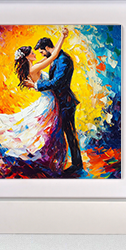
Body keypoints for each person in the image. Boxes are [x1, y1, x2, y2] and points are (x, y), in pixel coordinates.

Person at [0, 28, 70, 177]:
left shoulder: (33, 67)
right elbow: (53, 57)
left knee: (45, 132)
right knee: (44, 132)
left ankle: (49, 162)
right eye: (32, 53)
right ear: (27, 57)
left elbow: (50, 57)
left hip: (48, 100)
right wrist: (62, 37)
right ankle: (48, 163)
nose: (35, 53)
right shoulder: (34, 69)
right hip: (49, 102)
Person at [31, 29, 83, 177]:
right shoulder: (56, 58)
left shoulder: (63, 60)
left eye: (42, 52)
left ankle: (76, 164)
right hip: (59, 102)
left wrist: (38, 86)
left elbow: (57, 82)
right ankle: (62, 162)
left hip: (65, 102)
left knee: (70, 133)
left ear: (47, 48)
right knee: (61, 133)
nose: (42, 55)